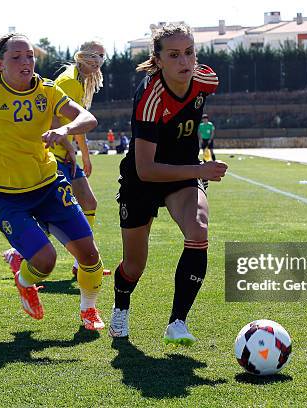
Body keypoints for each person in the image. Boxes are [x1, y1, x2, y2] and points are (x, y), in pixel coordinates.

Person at [0, 33, 106, 327]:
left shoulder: (48, 90)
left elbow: (86, 118)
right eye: (16, 58)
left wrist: (64, 131)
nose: (25, 63)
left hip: (49, 186)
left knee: (90, 255)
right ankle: (25, 281)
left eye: (29, 56)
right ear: (1, 64)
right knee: (45, 261)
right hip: (5, 196)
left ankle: (88, 310)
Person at [109, 23, 228, 345]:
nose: (184, 61)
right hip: (142, 179)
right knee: (134, 266)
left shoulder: (206, 79)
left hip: (184, 173)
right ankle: (121, 307)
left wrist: (194, 170)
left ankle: (177, 322)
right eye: (174, 55)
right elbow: (146, 169)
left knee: (198, 228)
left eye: (189, 52)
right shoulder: (149, 97)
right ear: (158, 60)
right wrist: (201, 169)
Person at [2, 41, 107, 328]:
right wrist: (76, 150)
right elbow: (57, 120)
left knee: (88, 204)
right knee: (65, 210)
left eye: (102, 55)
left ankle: (77, 267)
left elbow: (78, 121)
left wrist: (77, 148)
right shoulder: (68, 82)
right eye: (94, 54)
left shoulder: (79, 81)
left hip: (63, 152)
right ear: (82, 56)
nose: (98, 59)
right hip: (55, 156)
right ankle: (26, 256)